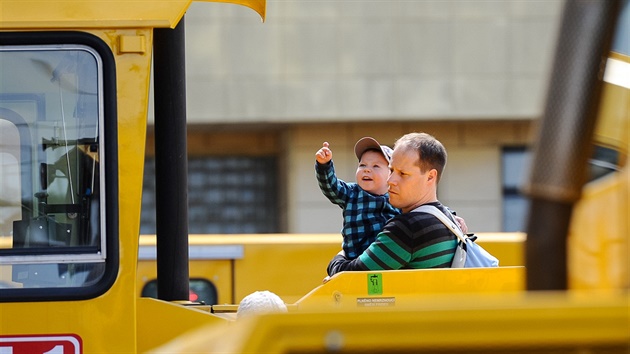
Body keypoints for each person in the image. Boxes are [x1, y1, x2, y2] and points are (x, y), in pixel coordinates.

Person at [327, 132, 459, 276]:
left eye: (403, 174)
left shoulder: (408, 228)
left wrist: (341, 255)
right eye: (391, 170)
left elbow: (351, 277)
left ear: (430, 176)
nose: (390, 180)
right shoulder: (448, 219)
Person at [315, 137, 400, 259]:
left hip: (384, 258)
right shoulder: (352, 193)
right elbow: (330, 187)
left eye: (376, 166)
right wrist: (324, 165)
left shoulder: (397, 198)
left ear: (391, 174)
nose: (366, 169)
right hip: (355, 258)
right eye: (362, 165)